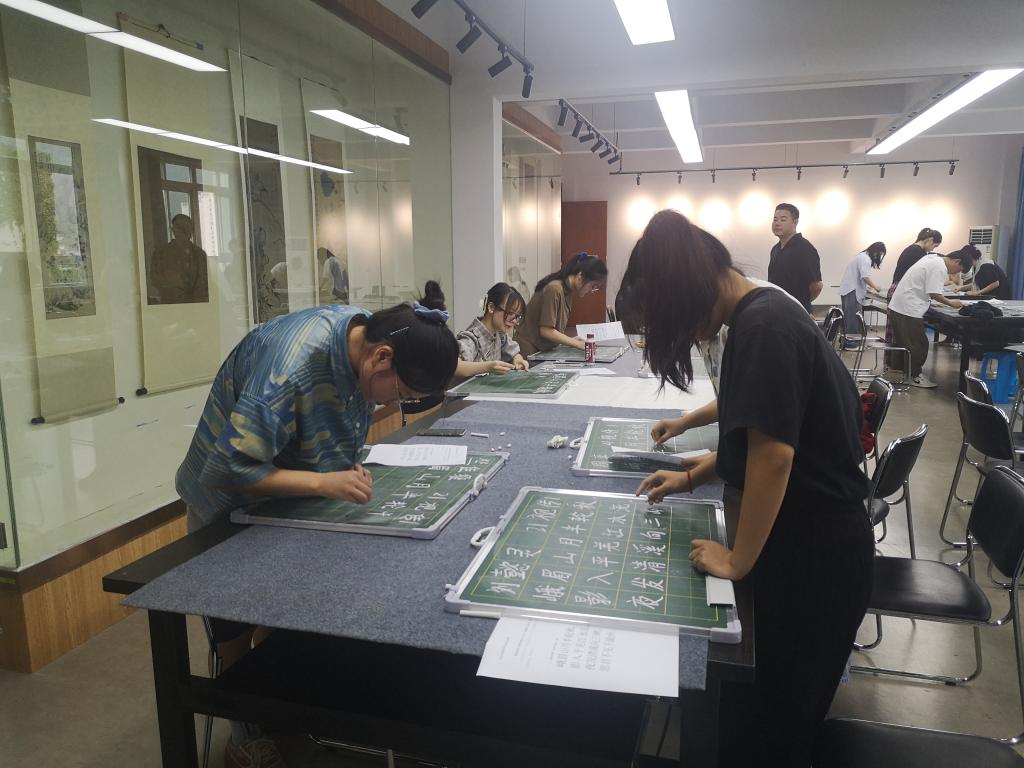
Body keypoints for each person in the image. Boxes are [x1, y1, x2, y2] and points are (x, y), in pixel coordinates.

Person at [622, 210, 872, 767]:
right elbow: (754, 428)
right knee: (755, 720)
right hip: (808, 543)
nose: (687, 335)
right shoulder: (757, 313)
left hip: (817, 560)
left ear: (690, 288)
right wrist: (691, 476)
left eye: (675, 319)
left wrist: (737, 560)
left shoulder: (763, 326)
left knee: (773, 738)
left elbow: (774, 458)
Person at [175, 299, 458, 767]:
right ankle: (243, 734)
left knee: (283, 612)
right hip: (227, 508)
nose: (393, 403)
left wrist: (344, 468)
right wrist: (323, 483)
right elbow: (226, 468)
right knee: (235, 627)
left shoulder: (363, 333)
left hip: (288, 500)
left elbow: (339, 415)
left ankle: (278, 708)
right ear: (382, 357)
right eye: (400, 393)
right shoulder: (291, 367)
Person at [888, 247, 976, 388]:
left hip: (901, 307)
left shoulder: (932, 258)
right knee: (918, 344)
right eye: (958, 270)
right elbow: (934, 293)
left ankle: (902, 374)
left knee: (905, 343)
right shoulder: (939, 267)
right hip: (908, 309)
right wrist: (950, 303)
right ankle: (914, 376)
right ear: (956, 261)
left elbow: (927, 288)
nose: (955, 273)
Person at [514, 253, 608, 356]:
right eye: (593, 286)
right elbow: (546, 331)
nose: (592, 291)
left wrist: (571, 340)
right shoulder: (555, 289)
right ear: (580, 276)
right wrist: (576, 343)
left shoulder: (567, 291)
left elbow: (553, 329)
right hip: (528, 350)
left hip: (540, 349)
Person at [884, 228, 943, 359]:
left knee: (896, 332)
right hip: (902, 291)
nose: (932, 249)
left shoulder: (910, 249)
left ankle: (893, 363)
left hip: (897, 289)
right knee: (902, 333)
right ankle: (899, 364)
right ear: (930, 240)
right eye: (934, 246)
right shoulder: (918, 253)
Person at [456, 282, 530, 379]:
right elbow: (456, 366)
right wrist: (488, 367)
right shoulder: (471, 338)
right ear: (491, 307)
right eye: (510, 313)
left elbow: (514, 353)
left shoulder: (500, 334)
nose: (514, 321)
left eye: (517, 316)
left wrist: (518, 360)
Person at [767, 203, 821, 312]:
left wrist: (800, 303)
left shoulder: (804, 248)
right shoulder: (775, 249)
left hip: (795, 311)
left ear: (795, 222)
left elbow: (817, 286)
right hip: (776, 308)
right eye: (775, 219)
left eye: (783, 220)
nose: (777, 223)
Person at [149, 213, 209, 304]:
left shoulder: (200, 254)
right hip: (172, 304)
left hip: (197, 305)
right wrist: (173, 282)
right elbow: (155, 279)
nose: (186, 231)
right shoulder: (161, 253)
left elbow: (205, 282)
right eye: (181, 228)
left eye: (188, 228)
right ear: (174, 230)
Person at [838, 242, 886, 347]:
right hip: (852, 291)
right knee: (852, 318)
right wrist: (875, 287)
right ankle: (850, 344)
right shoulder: (865, 258)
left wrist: (868, 289)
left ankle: (848, 342)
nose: (878, 257)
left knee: (850, 318)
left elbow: (860, 277)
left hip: (850, 290)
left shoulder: (862, 256)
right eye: (879, 254)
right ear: (875, 251)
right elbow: (865, 277)